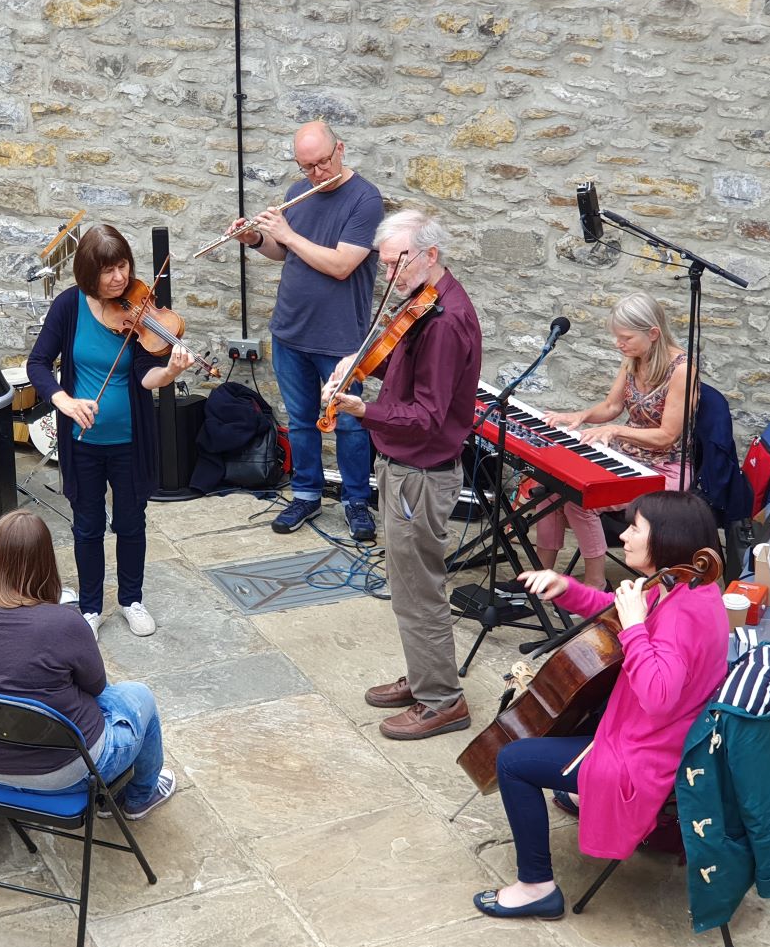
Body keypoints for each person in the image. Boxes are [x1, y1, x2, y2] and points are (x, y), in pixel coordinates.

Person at [472, 490, 729, 919]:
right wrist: (567, 589)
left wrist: (634, 627)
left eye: (635, 529)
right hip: (652, 734)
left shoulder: (681, 614)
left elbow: (658, 696)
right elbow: (615, 610)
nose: (623, 536)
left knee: (513, 761)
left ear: (667, 538)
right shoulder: (684, 587)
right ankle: (581, 797)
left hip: (644, 755)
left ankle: (536, 887)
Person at [323, 211, 482, 740]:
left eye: (398, 263)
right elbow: (398, 364)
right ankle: (423, 676)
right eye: (385, 264)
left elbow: (427, 416)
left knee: (419, 589)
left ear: (430, 255)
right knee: (406, 583)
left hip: (420, 473)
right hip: (404, 467)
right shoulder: (423, 304)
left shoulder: (444, 323)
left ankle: (442, 700)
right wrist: (355, 360)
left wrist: (362, 409)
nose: (389, 275)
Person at [0, 509, 176, 820]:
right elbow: (96, 686)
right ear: (46, 559)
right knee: (138, 695)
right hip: (68, 772)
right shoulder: (65, 623)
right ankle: (140, 797)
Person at [26, 224, 194, 639]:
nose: (119, 278)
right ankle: (90, 607)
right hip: (82, 441)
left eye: (123, 266)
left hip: (130, 439)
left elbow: (145, 376)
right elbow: (37, 363)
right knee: (87, 525)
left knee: (131, 521)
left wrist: (170, 372)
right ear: (89, 273)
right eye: (108, 271)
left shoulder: (139, 310)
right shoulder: (68, 307)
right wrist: (64, 401)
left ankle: (132, 600)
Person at [226, 120, 383, 542]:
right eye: (307, 166)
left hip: (340, 336)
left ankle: (356, 501)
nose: (316, 173)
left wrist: (288, 234)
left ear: (340, 149)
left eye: (322, 162)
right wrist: (255, 238)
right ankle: (306, 494)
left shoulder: (365, 200)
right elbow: (284, 253)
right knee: (300, 421)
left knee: (348, 423)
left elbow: (341, 265)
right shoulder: (299, 191)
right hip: (290, 329)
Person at [533, 292, 694, 591]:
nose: (618, 344)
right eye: (617, 337)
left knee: (582, 499)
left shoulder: (683, 370)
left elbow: (667, 436)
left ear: (653, 333)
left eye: (626, 337)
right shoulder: (633, 358)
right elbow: (611, 406)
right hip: (627, 458)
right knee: (551, 491)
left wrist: (617, 431)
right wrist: (578, 416)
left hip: (663, 469)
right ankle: (540, 576)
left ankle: (596, 583)